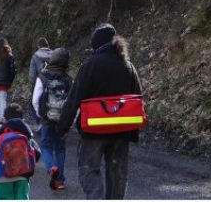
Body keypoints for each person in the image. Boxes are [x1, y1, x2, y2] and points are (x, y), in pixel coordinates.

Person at [57, 24, 142, 199]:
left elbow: (74, 99)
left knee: (89, 169)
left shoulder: (90, 65)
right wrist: (133, 132)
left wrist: (63, 127)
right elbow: (137, 98)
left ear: (97, 45)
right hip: (121, 131)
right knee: (117, 172)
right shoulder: (128, 66)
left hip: (94, 130)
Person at [32, 47, 72, 190]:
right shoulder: (68, 79)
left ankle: (51, 168)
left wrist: (40, 115)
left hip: (47, 119)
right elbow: (73, 102)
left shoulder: (43, 75)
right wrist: (70, 121)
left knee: (46, 146)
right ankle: (59, 181)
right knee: (60, 149)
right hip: (62, 120)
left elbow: (35, 99)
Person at [0, 104, 40, 200]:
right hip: (23, 175)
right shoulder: (26, 136)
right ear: (22, 119)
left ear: (5, 119)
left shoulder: (0, 135)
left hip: (4, 175)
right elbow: (37, 154)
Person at [28, 38, 51, 126]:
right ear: (47, 45)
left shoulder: (35, 56)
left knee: (33, 103)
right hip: (53, 82)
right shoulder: (54, 54)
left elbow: (32, 74)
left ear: (38, 46)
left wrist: (32, 85)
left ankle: (39, 121)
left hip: (40, 82)